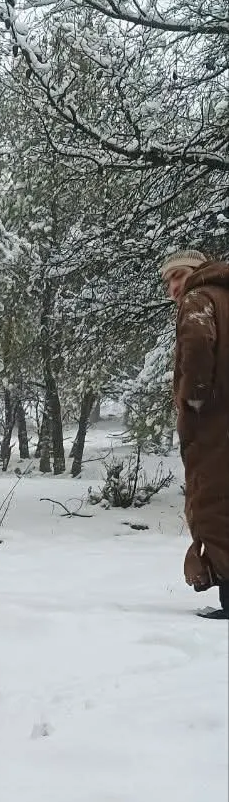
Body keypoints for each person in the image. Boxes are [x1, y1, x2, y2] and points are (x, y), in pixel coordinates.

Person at [160, 249, 229, 619]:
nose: (173, 288)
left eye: (177, 276)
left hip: (217, 422)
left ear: (196, 271)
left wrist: (194, 399)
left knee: (215, 504)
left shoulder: (199, 299)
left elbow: (198, 344)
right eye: (168, 281)